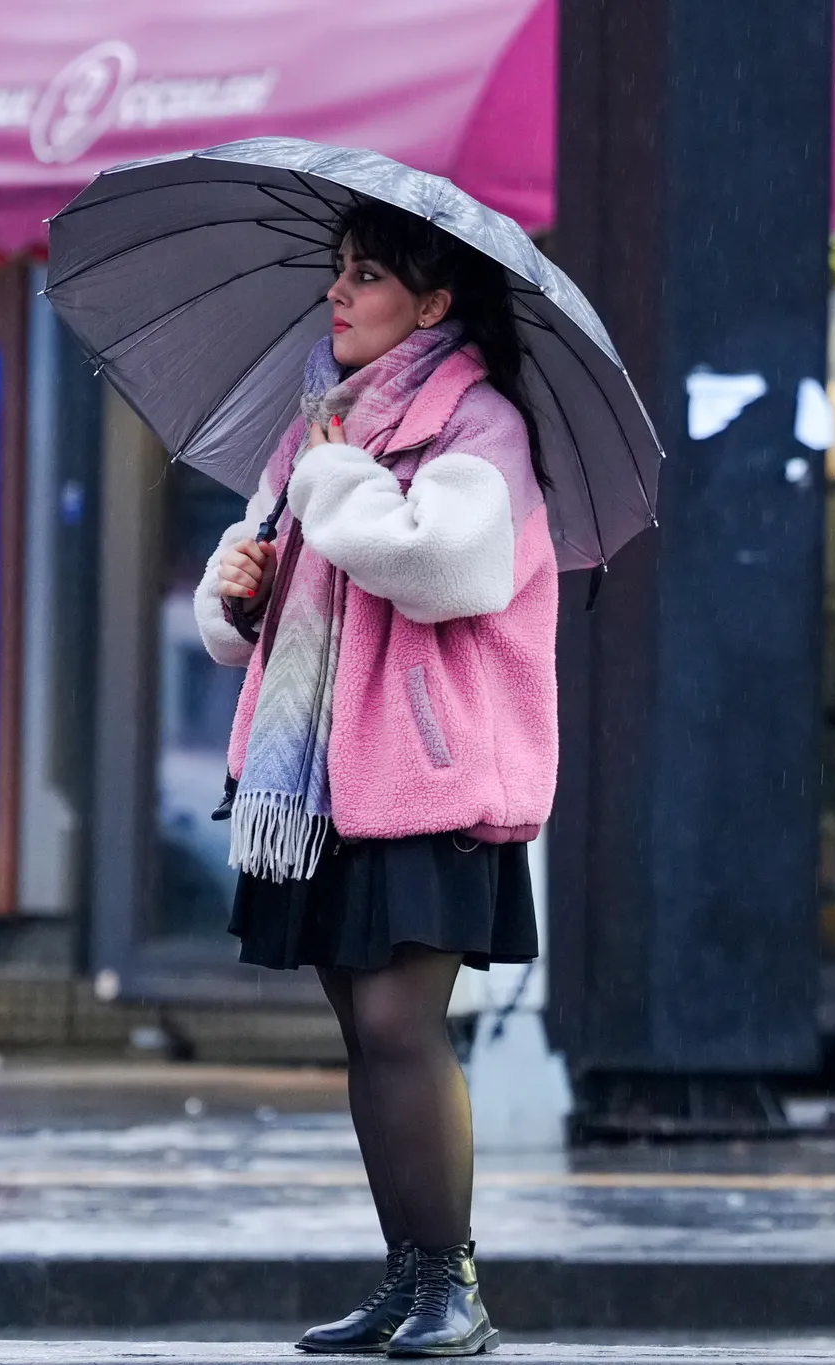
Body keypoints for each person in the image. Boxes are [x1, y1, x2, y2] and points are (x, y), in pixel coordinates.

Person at [196, 201, 556, 1358]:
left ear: (435, 303)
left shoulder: (475, 425)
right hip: (326, 784)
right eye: (338, 272)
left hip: (425, 774)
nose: (338, 294)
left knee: (403, 1021)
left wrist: (334, 485)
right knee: (365, 1028)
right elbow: (258, 601)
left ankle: (454, 1284)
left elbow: (438, 567)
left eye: (367, 276)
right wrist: (238, 587)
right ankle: (407, 1277)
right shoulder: (321, 427)